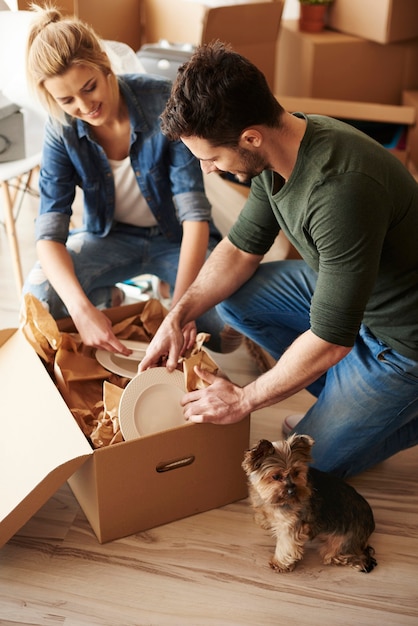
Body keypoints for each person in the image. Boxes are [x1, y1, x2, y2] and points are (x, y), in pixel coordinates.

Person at [139, 41, 418, 478]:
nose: (208, 170)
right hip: (355, 305)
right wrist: (180, 314)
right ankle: (348, 403)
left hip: (403, 344)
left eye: (211, 158)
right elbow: (237, 250)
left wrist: (244, 399)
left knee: (298, 470)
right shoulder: (280, 148)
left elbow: (331, 339)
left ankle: (391, 408)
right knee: (234, 297)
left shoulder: (339, 192)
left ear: (251, 137)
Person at [22, 6, 241, 355]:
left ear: (104, 63)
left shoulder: (163, 99)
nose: (84, 105)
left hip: (175, 238)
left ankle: (161, 293)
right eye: (67, 100)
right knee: (40, 298)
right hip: (109, 236)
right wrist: (81, 311)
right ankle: (114, 298)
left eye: (89, 87)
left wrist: (179, 313)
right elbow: (48, 235)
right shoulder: (60, 130)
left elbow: (194, 217)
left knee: (226, 327)